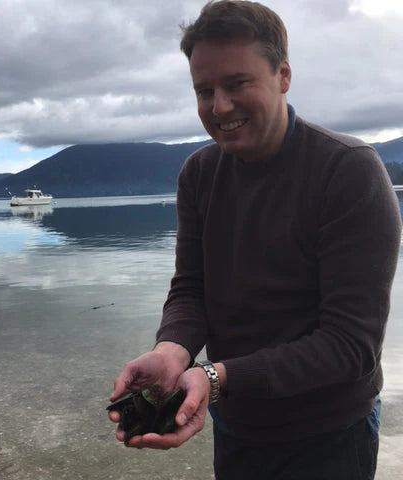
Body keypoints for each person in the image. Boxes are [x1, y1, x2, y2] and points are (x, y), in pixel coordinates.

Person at [109, 1, 402, 478]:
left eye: (237, 83)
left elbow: (352, 345)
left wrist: (216, 377)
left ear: (283, 75)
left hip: (330, 433)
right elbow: (191, 290)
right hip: (239, 425)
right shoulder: (199, 175)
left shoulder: (348, 171)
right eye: (204, 90)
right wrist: (171, 351)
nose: (219, 106)